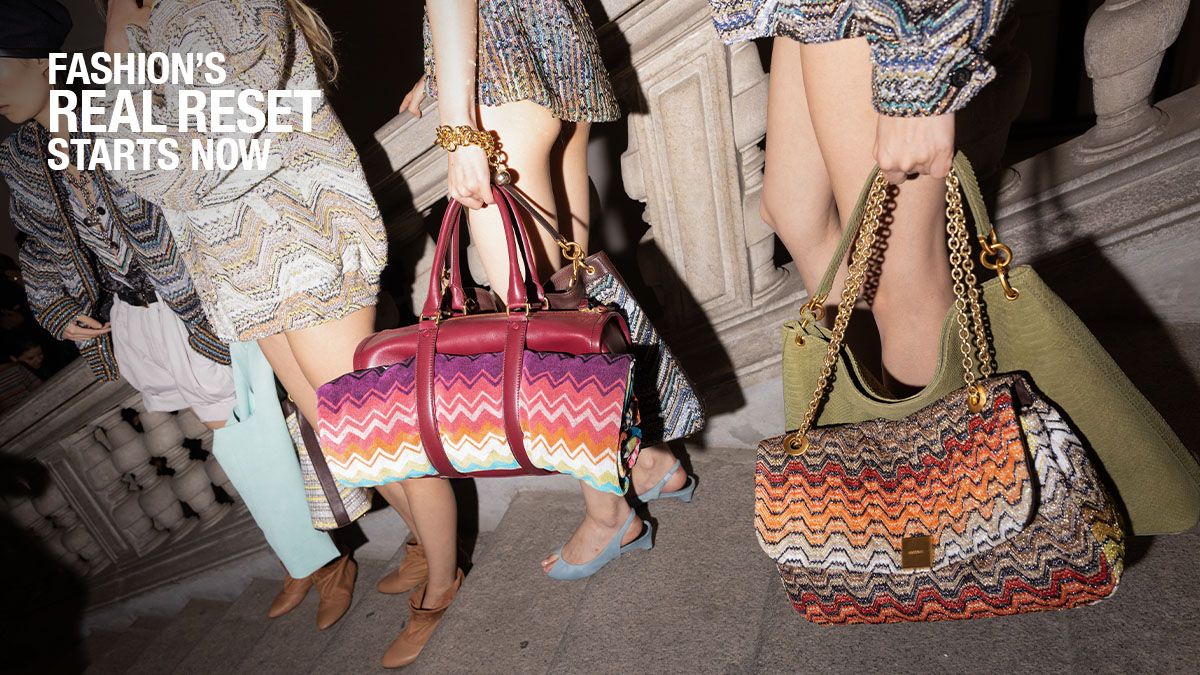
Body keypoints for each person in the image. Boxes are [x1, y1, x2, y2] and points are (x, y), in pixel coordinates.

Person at [97, 0, 459, 646]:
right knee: (347, 439)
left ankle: (444, 577)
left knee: (376, 434)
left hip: (302, 246)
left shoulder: (223, 5)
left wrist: (117, 40)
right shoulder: (158, 23)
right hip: (248, 271)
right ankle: (425, 544)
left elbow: (174, 161)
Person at [0, 0, 354, 630]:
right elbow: (40, 244)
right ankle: (307, 552)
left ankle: (325, 555)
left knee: (259, 427)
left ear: (42, 62)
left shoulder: (122, 100)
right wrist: (55, 304)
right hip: (136, 312)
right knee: (237, 434)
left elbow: (198, 171)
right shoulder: (21, 157)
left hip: (201, 286)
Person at [385, 0, 695, 665]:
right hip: (552, 34)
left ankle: (610, 515)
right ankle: (644, 459)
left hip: (499, 75)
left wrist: (458, 128)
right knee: (571, 300)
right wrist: (440, 62)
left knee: (539, 328)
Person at [709, 0, 1012, 390]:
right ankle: (874, 410)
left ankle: (953, 428)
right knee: (793, 214)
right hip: (813, 10)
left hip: (884, 17)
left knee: (902, 286)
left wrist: (918, 77)